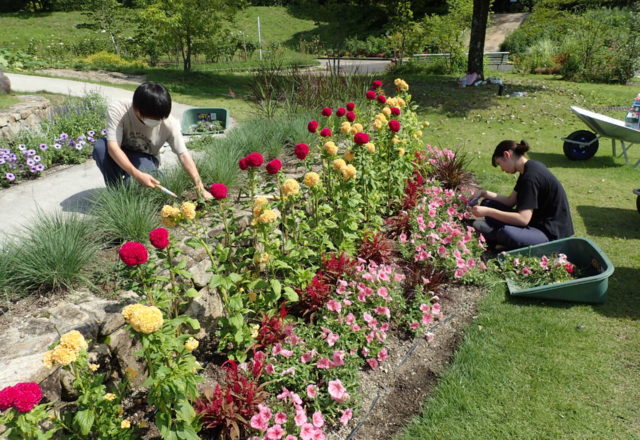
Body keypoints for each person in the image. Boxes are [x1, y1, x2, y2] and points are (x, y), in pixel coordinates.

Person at [92, 82, 212, 199]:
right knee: (100, 148)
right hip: (120, 150)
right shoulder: (119, 109)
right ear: (136, 109)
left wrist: (200, 187)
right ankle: (116, 193)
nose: (157, 121)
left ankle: (140, 180)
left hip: (146, 156)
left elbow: (184, 155)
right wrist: (136, 174)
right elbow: (113, 148)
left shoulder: (170, 123)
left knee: (135, 184)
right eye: (153, 118)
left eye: (160, 118)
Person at [471, 140, 573, 250]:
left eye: (500, 164)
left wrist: (487, 211)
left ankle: (493, 235)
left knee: (506, 232)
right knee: (487, 202)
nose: (502, 169)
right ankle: (497, 236)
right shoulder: (527, 168)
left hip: (549, 233)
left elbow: (523, 219)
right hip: (535, 221)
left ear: (507, 155)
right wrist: (484, 193)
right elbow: (510, 201)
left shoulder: (530, 178)